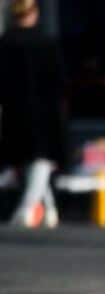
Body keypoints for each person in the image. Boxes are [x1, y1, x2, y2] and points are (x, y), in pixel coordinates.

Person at [0, 0, 67, 228]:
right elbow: (59, 82)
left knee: (31, 161)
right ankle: (28, 208)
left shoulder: (5, 43)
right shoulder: (47, 42)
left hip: (14, 110)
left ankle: (48, 209)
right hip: (44, 111)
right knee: (41, 160)